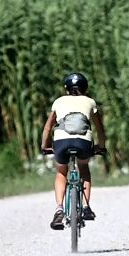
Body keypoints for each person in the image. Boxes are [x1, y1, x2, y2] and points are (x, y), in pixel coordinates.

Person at [40, 72, 107, 230]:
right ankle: (85, 207)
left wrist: (45, 146)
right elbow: (99, 129)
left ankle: (59, 209)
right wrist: (101, 146)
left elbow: (47, 128)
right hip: (83, 142)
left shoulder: (58, 102)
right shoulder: (90, 102)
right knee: (83, 168)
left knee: (61, 172)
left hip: (61, 142)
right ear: (85, 88)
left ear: (66, 89)